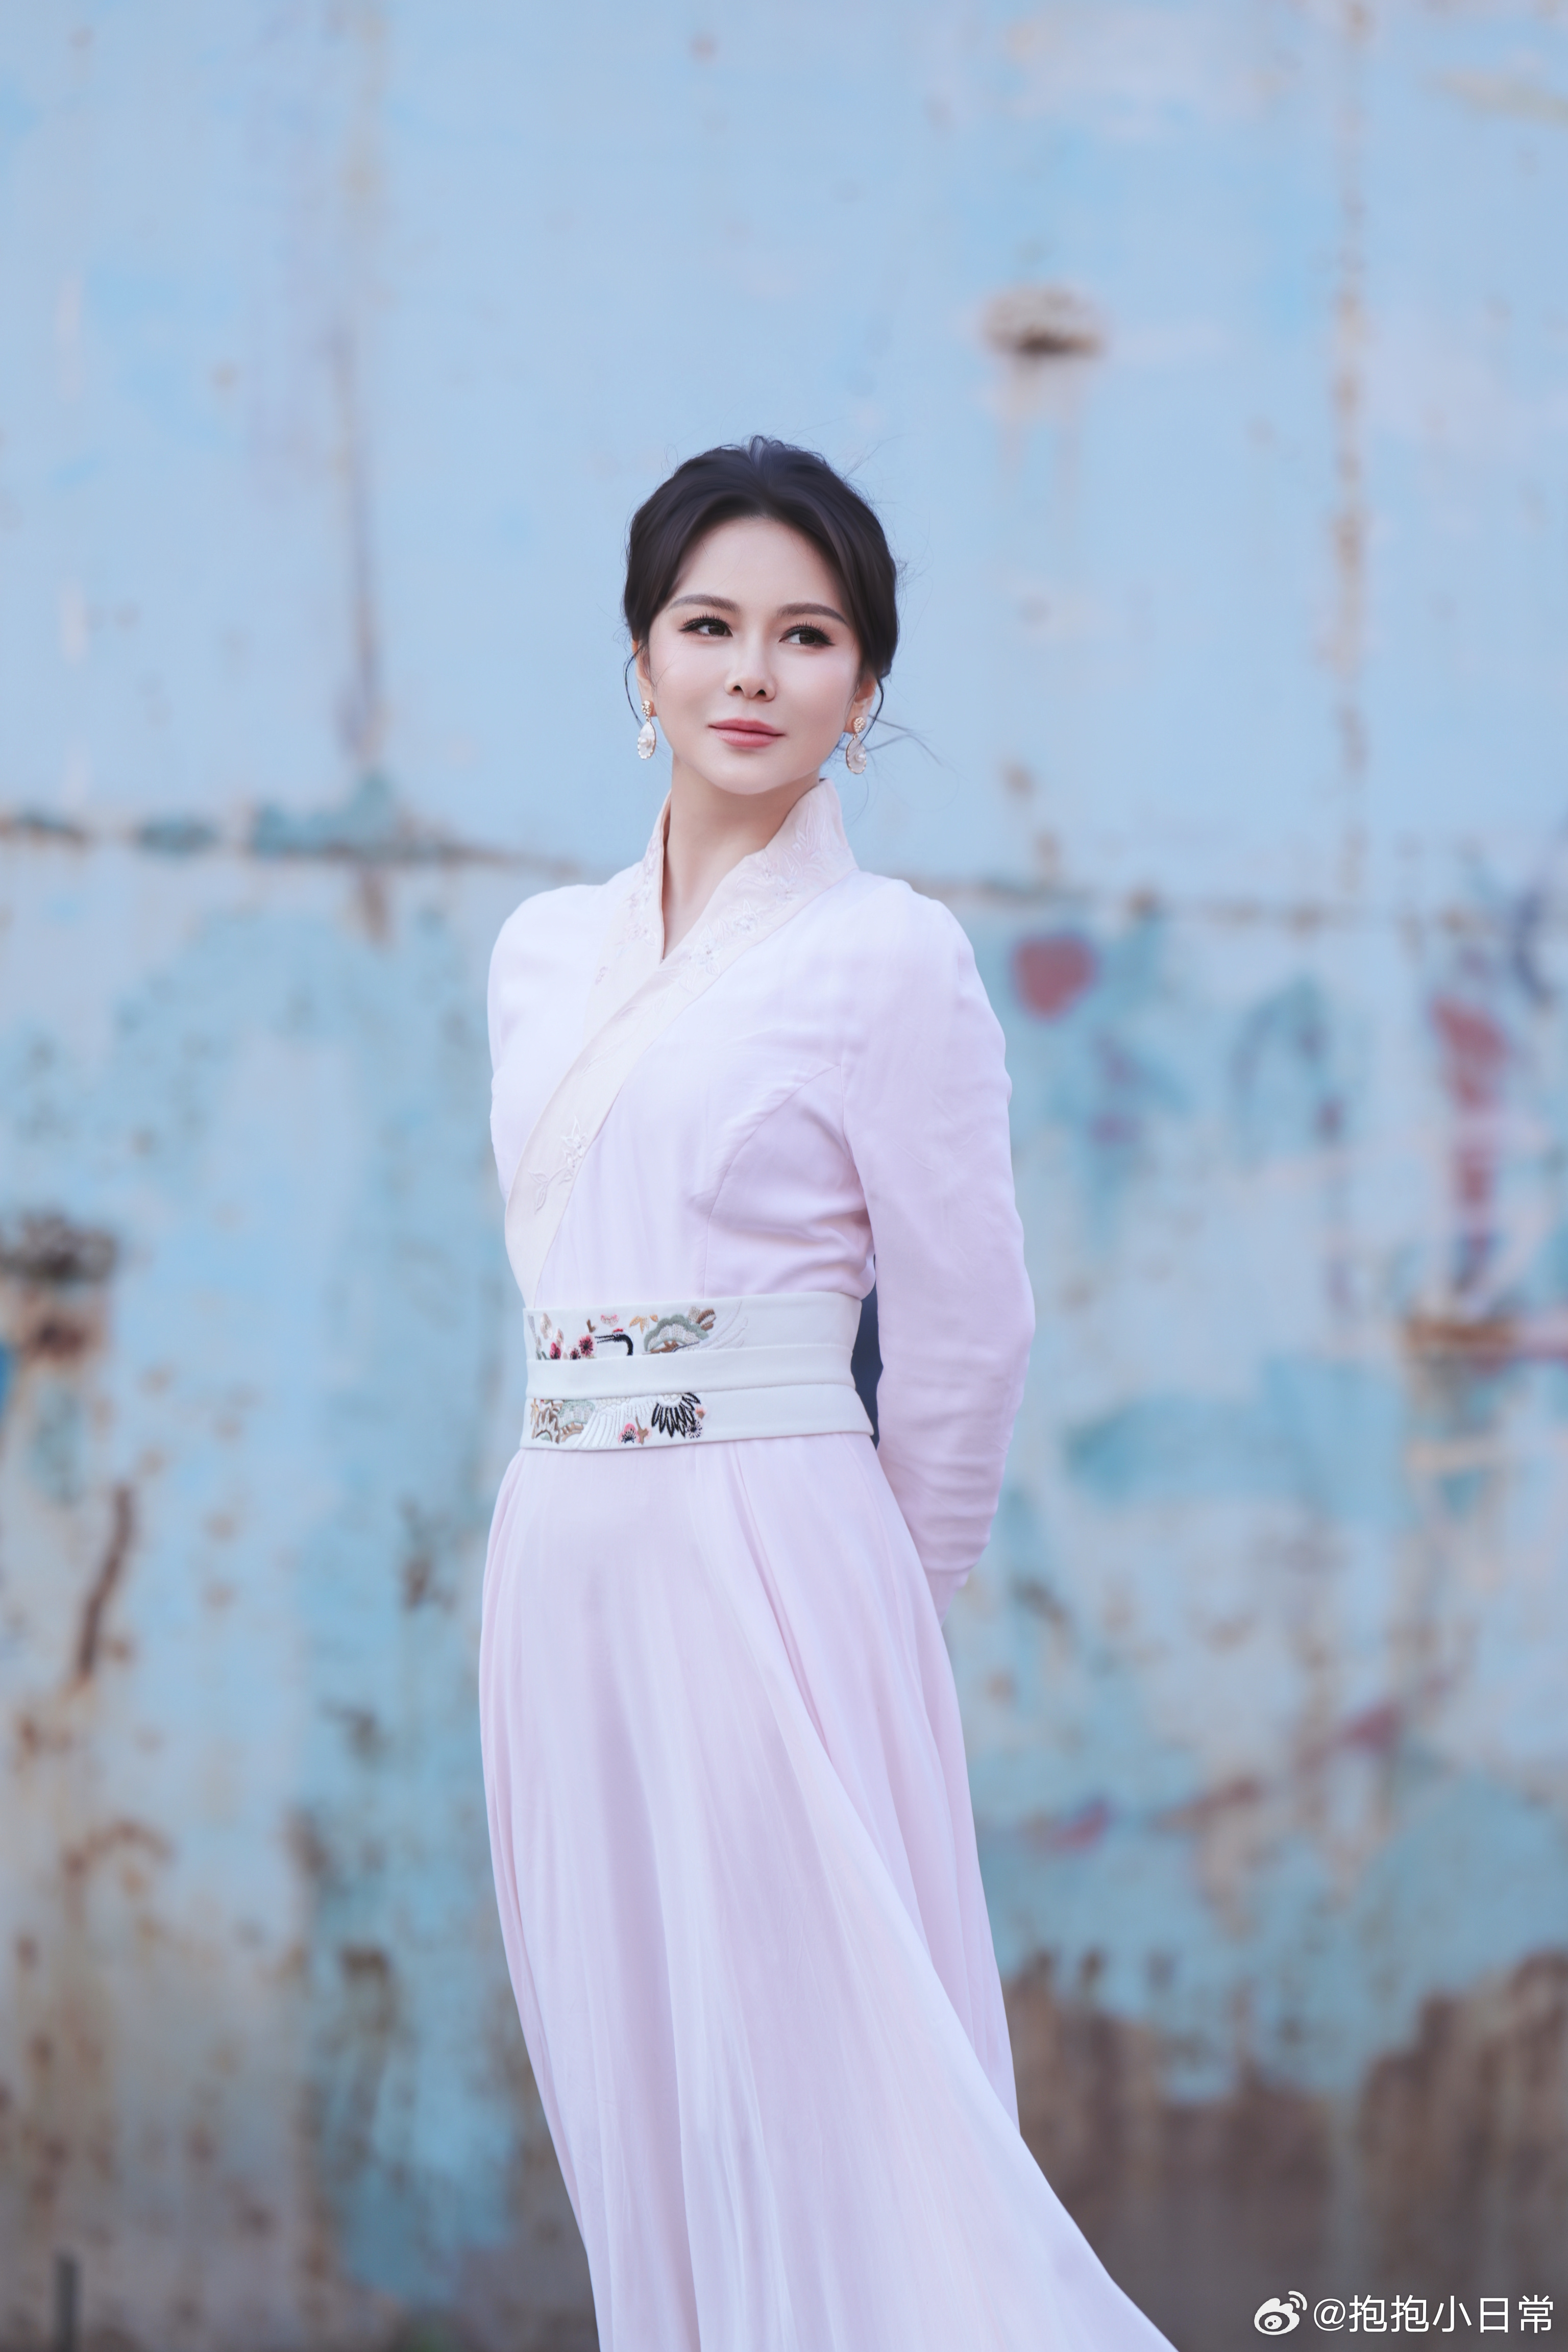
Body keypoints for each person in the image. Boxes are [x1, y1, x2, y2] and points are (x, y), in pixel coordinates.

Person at [480, 437, 1172, 2350]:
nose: (753, 673)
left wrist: (883, 1594)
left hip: (783, 1559)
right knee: (638, 2086)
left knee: (835, 2089)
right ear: (641, 662)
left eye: (808, 636)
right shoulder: (539, 955)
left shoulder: (893, 959)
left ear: (864, 687)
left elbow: (971, 1324)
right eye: (709, 626)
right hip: (561, 1560)